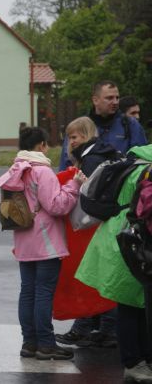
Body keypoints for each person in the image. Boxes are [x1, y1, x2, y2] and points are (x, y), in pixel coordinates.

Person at [0, 127, 85, 361]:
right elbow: (57, 206)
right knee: (44, 293)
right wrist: (73, 185)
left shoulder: (15, 170)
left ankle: (29, 342)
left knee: (27, 292)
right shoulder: (41, 171)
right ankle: (46, 344)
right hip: (46, 241)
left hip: (23, 240)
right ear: (42, 145)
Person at [75, 143, 152, 382]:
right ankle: (133, 362)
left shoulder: (133, 161)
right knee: (132, 305)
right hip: (133, 239)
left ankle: (139, 361)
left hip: (118, 236)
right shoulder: (146, 169)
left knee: (134, 303)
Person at [53, 117, 120, 347]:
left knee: (92, 274)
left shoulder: (91, 158)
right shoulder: (102, 153)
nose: (70, 142)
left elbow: (89, 191)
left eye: (73, 137)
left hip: (94, 222)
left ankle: (96, 327)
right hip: (105, 220)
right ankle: (99, 327)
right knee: (99, 274)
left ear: (85, 135)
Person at [59, 80, 146, 171]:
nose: (115, 102)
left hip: (122, 181)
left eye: (117, 98)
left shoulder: (130, 124)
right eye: (109, 98)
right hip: (86, 181)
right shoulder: (81, 126)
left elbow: (141, 158)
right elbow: (67, 162)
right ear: (95, 100)